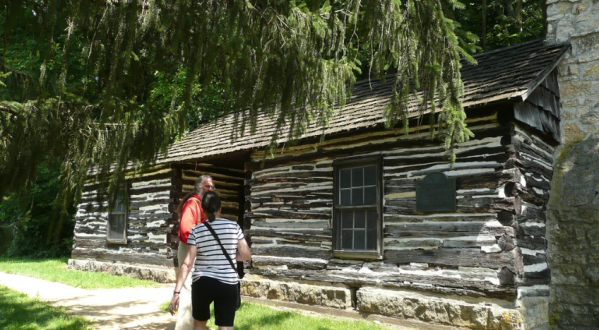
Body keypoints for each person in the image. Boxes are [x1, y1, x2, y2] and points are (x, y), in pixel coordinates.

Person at [170, 191, 251, 330]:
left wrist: (176, 293)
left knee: (199, 324)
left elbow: (187, 263)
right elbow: (246, 255)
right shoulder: (234, 227)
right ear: (220, 208)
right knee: (226, 327)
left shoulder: (196, 231)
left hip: (203, 282)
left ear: (203, 210)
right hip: (228, 282)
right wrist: (233, 256)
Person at [175, 175, 215, 330]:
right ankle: (184, 327)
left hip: (198, 250)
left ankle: (195, 325)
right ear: (199, 187)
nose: (211, 189)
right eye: (207, 186)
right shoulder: (192, 204)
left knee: (198, 289)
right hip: (189, 249)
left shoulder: (202, 205)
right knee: (188, 288)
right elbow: (186, 231)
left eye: (212, 187)